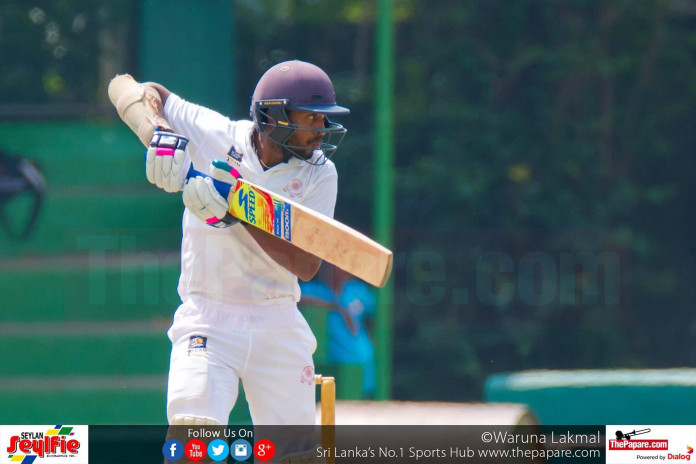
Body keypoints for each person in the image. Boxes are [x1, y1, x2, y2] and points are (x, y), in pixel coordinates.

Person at [141, 60, 350, 427]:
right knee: (194, 435)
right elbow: (138, 89)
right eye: (311, 119)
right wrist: (161, 131)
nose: (321, 131)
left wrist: (237, 208)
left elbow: (306, 265)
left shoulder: (320, 174)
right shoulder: (217, 134)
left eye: (323, 120)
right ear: (272, 117)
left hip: (278, 318)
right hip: (207, 317)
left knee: (293, 453)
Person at [300, 265, 377, 397]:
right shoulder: (316, 289)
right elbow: (297, 298)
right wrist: (336, 307)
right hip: (335, 359)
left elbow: (374, 319)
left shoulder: (357, 290)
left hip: (362, 355)